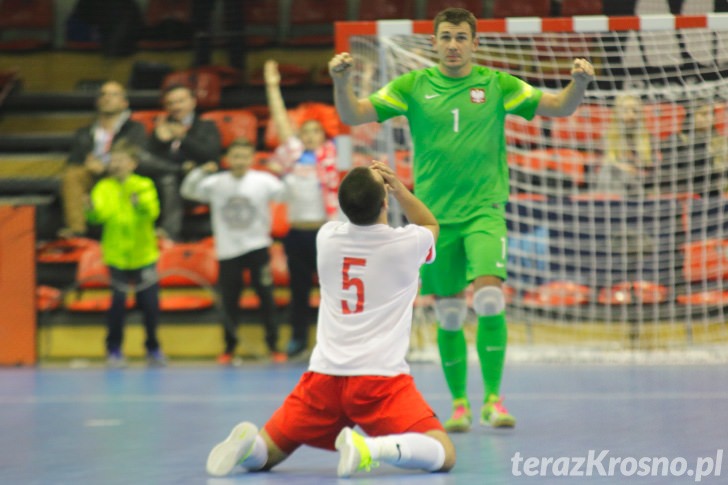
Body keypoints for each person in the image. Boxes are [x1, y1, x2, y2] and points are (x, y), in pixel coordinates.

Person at [328, 7, 594, 432]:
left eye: (460, 37)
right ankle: (458, 404)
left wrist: (577, 83)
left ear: (474, 43)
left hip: (484, 211)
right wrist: (341, 81)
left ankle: (493, 399)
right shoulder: (413, 85)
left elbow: (560, 108)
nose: (453, 44)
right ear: (434, 42)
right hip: (432, 221)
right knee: (450, 314)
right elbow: (354, 114)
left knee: (490, 298)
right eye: (446, 37)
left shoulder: (496, 84)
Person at [205, 162, 455, 478]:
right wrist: (399, 187)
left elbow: (356, 211)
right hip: (379, 381)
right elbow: (430, 223)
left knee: (268, 453)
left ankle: (248, 446)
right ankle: (370, 449)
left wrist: (374, 190)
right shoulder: (407, 243)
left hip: (324, 377)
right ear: (384, 203)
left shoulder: (327, 237)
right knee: (443, 452)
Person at [181, 139, 286, 364]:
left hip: (258, 247)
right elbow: (188, 191)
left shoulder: (264, 181)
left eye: (244, 156)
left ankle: (273, 346)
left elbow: (286, 194)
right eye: (235, 156)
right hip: (228, 251)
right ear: (227, 159)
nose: (240, 161)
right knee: (229, 302)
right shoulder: (216, 182)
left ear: (252, 159)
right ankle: (229, 348)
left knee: (266, 298)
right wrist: (200, 171)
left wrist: (283, 172)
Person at [264, 59, 341, 359]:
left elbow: (351, 120)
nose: (309, 136)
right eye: (304, 131)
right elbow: (282, 122)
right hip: (297, 234)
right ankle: (298, 340)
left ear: (324, 134)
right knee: (298, 293)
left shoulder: (334, 154)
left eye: (315, 131)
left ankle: (333, 342)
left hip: (327, 233)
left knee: (332, 293)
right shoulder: (293, 154)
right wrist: (273, 86)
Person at [85, 139, 165, 368]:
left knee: (150, 304)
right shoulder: (103, 187)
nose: (117, 164)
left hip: (144, 254)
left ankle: (153, 348)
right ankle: (114, 349)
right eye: (114, 160)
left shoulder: (144, 185)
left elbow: (153, 213)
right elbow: (98, 217)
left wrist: (138, 203)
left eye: (122, 160)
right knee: (118, 303)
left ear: (133, 163)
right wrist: (89, 209)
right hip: (116, 256)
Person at [60, 81, 148, 238]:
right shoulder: (84, 132)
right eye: (103, 94)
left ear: (124, 103)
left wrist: (106, 167)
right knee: (72, 175)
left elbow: (135, 157)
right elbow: (73, 161)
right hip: (90, 174)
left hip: (120, 174)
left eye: (114, 94)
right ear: (97, 101)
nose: (107, 98)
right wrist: (89, 164)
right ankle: (77, 230)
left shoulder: (135, 128)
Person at [147, 84, 221, 241]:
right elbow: (150, 159)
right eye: (171, 103)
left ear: (192, 102)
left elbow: (211, 155)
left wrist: (184, 138)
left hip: (194, 181)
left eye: (180, 101)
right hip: (166, 177)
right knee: (134, 158)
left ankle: (169, 235)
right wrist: (157, 140)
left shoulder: (206, 126)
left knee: (168, 179)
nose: (176, 107)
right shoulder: (162, 127)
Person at [659, 99, 728, 198]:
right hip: (689, 196)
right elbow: (668, 173)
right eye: (704, 114)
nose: (709, 118)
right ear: (691, 116)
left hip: (717, 194)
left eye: (711, 114)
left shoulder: (720, 140)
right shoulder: (677, 140)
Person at [596, 93, 656, 197]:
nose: (631, 115)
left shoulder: (649, 139)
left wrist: (636, 168)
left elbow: (652, 169)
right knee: (610, 170)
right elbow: (602, 165)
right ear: (616, 114)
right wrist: (621, 167)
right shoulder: (607, 138)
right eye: (625, 111)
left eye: (635, 111)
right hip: (614, 183)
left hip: (639, 184)